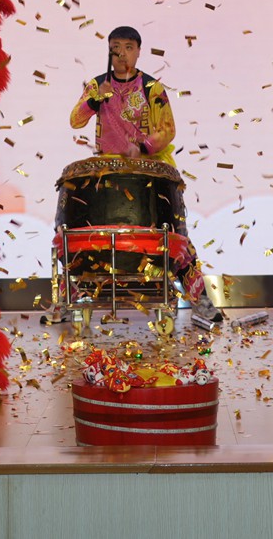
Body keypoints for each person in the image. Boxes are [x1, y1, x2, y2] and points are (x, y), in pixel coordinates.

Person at [62, 26, 223, 324]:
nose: (121, 53)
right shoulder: (97, 85)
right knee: (79, 236)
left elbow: (168, 129)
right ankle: (65, 301)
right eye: (116, 47)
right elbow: (75, 120)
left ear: (138, 51)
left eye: (128, 47)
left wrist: (144, 147)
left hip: (149, 172)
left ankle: (200, 300)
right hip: (107, 173)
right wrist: (92, 103)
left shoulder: (151, 88)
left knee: (176, 239)